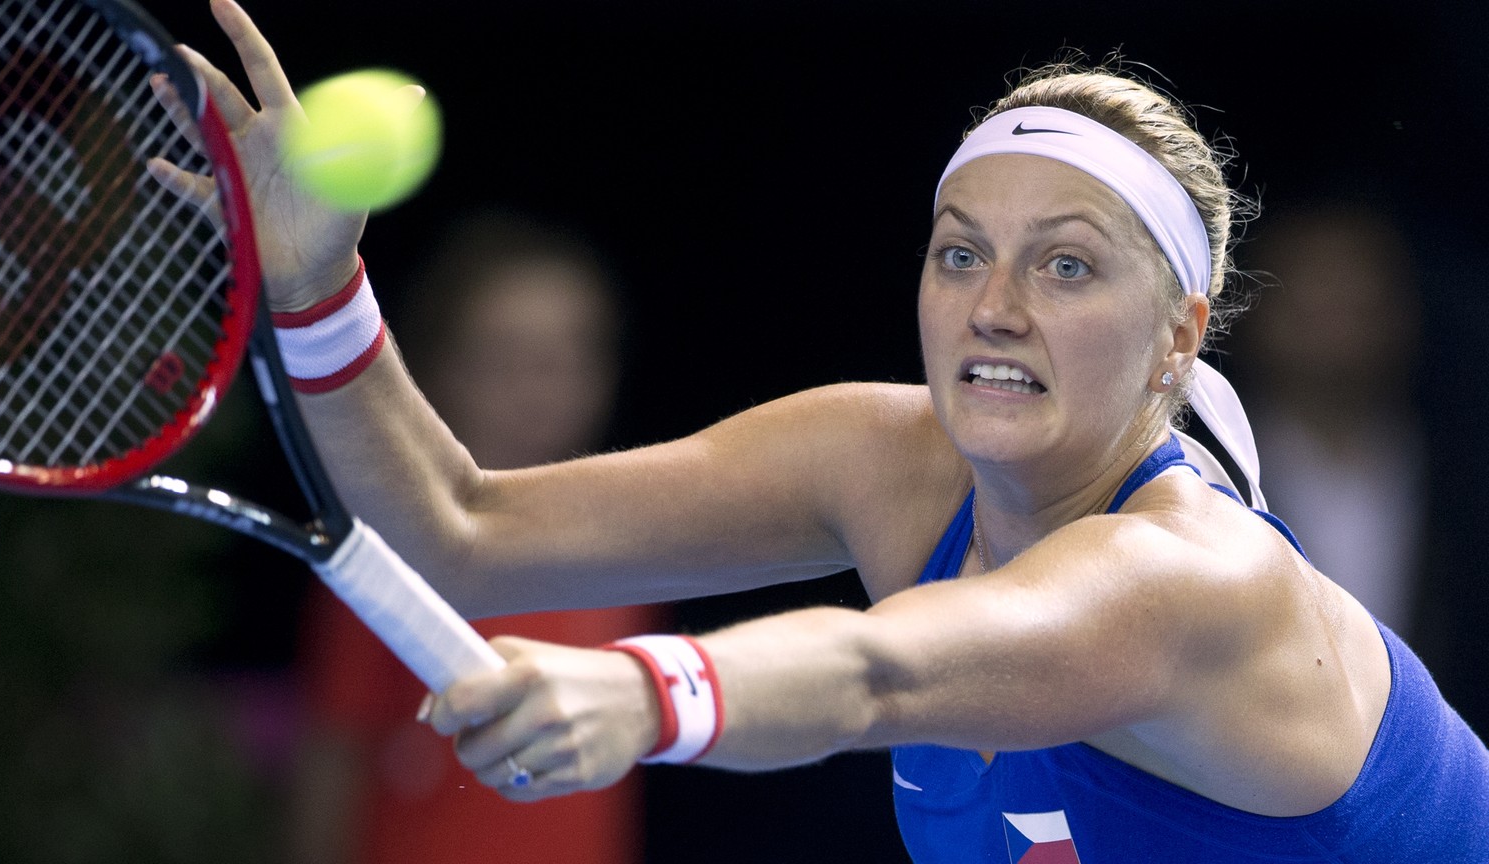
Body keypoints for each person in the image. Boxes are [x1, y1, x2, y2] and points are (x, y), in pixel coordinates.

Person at [160, 1, 1489, 858]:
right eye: (961, 255)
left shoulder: (1194, 579)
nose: (998, 309)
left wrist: (645, 692)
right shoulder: (888, 463)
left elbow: (880, 676)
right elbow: (463, 528)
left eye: (1068, 266)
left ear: (1183, 333)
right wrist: (314, 292)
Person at [286, 211, 664, 864]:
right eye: (505, 358)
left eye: (567, 357)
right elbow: (332, 761)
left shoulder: (637, 544)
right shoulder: (387, 553)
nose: (539, 388)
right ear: (437, 368)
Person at [1234, 200, 1427, 638]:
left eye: (1357, 301)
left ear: (1400, 312)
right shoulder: (1206, 472)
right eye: (1311, 302)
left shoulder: (1463, 474)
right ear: (1256, 312)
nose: (1335, 327)